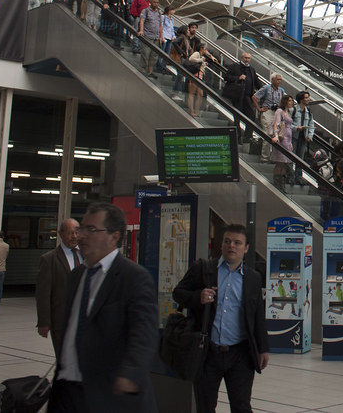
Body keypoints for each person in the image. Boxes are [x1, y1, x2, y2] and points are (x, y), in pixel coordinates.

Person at [49, 202, 158, 413]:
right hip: (67, 392)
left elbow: (144, 332)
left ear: (114, 236)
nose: (81, 235)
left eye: (91, 229)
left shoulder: (133, 277)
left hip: (109, 394)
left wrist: (130, 373)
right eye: (81, 228)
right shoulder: (76, 276)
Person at [172, 224, 269, 413]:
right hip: (208, 351)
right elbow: (178, 293)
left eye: (237, 243)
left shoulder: (253, 278)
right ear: (222, 245)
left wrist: (263, 348)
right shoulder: (203, 269)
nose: (231, 246)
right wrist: (198, 297)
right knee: (206, 406)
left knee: (241, 406)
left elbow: (257, 314)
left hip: (240, 353)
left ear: (246, 248)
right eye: (227, 241)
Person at [36, 219, 81, 357]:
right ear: (60, 234)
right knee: (65, 359)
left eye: (77, 232)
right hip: (61, 321)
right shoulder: (49, 260)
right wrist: (44, 322)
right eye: (70, 233)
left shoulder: (88, 256)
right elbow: (43, 294)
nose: (74, 236)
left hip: (85, 321)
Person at [223, 52, 262, 143]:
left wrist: (265, 90)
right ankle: (238, 136)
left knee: (251, 115)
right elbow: (226, 77)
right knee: (237, 116)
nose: (247, 60)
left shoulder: (251, 69)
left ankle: (247, 137)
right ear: (241, 58)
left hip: (248, 96)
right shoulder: (235, 66)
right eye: (245, 58)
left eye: (248, 58)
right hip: (237, 95)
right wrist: (238, 78)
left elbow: (257, 82)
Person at [253, 73, 285, 162]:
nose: (279, 81)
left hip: (277, 113)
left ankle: (274, 157)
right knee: (268, 134)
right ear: (273, 80)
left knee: (276, 135)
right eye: (278, 79)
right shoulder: (266, 88)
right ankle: (265, 157)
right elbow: (254, 97)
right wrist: (259, 108)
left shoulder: (281, 90)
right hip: (268, 111)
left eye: (280, 80)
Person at [269, 94, 296, 187]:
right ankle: (277, 183)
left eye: (292, 101)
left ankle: (282, 183)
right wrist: (275, 135)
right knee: (280, 162)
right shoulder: (279, 111)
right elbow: (276, 124)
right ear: (285, 101)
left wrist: (291, 143)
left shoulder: (288, 112)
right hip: (282, 138)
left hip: (288, 139)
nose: (291, 102)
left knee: (284, 162)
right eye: (289, 100)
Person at [291, 90, 316, 176]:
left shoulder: (308, 111)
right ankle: (290, 176)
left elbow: (311, 124)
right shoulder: (293, 110)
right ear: (301, 100)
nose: (308, 99)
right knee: (291, 157)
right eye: (306, 97)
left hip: (303, 137)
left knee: (300, 159)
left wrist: (310, 135)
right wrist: (296, 127)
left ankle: (298, 177)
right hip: (293, 137)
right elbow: (287, 124)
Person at [170, 25, 193, 100]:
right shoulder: (182, 37)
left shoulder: (186, 38)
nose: (188, 31)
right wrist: (181, 52)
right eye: (187, 30)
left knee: (180, 76)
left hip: (184, 58)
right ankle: (174, 93)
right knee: (180, 76)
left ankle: (176, 92)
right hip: (181, 58)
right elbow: (175, 42)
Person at [186, 43, 209, 117]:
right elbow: (191, 59)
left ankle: (196, 111)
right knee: (192, 93)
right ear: (201, 48)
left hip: (200, 76)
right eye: (205, 48)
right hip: (195, 75)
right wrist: (201, 60)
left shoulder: (201, 56)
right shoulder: (197, 53)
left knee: (200, 94)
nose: (205, 50)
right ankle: (191, 111)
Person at [156, 5, 176, 73]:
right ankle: (159, 67)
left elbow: (172, 29)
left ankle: (163, 67)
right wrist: (162, 37)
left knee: (167, 54)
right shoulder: (163, 17)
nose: (173, 11)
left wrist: (173, 36)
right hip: (164, 37)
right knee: (161, 52)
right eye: (172, 10)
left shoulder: (171, 19)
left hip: (170, 38)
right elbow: (161, 26)